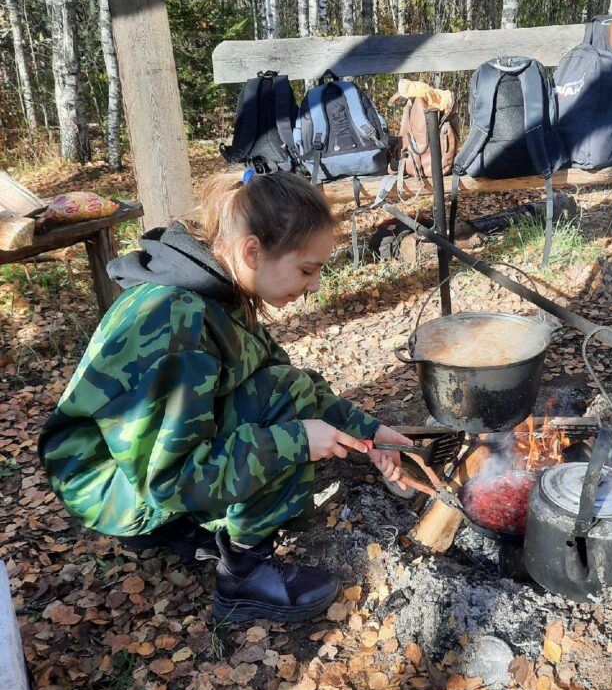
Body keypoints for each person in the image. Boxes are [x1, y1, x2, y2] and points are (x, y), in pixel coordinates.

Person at [38, 170, 412, 624]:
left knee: (286, 392)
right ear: (252, 251)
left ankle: (189, 527)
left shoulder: (219, 286)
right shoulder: (178, 320)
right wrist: (294, 441)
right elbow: (169, 480)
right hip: (111, 486)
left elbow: (282, 377)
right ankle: (243, 574)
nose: (314, 286)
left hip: (140, 463)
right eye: (307, 269)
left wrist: (370, 433)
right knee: (287, 413)